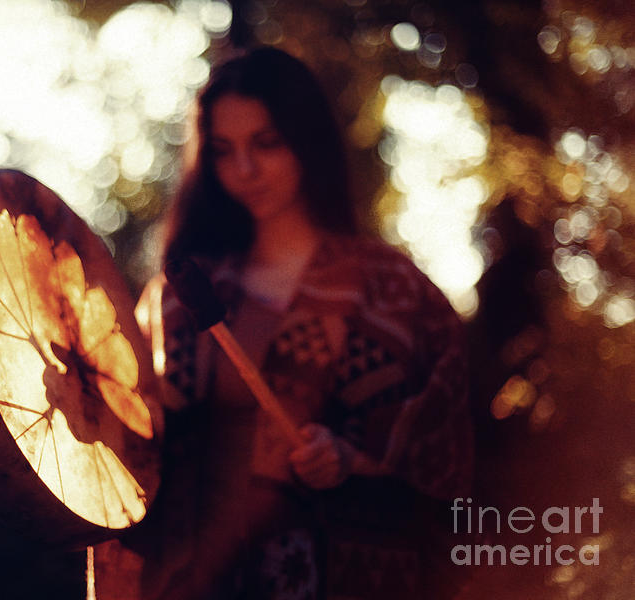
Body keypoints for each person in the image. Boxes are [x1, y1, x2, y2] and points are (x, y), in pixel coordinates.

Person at [94, 46, 473, 600]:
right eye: (223, 151)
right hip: (190, 581)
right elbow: (129, 439)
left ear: (307, 139)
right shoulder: (181, 295)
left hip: (338, 581)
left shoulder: (392, 292)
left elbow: (446, 450)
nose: (244, 171)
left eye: (266, 144)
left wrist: (353, 456)